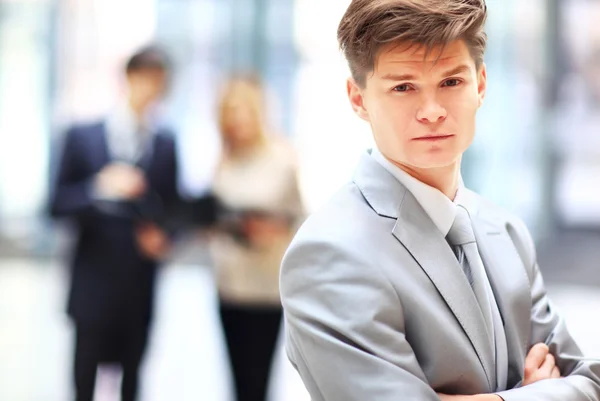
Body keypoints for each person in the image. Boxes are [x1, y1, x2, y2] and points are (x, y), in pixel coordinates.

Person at [279, 1, 600, 400]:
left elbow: (589, 382)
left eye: (451, 82)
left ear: (480, 84)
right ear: (358, 99)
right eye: (403, 87)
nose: (432, 112)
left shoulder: (506, 231)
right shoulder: (329, 252)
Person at [50, 45, 180, 401]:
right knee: (83, 379)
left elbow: (172, 211)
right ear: (128, 78)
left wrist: (165, 236)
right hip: (93, 280)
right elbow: (55, 205)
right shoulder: (82, 135)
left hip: (139, 281)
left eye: (160, 84)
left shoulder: (165, 143)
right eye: (146, 80)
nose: (151, 91)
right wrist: (98, 186)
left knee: (133, 378)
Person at [209, 77, 304, 401]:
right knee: (236, 379)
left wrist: (271, 229)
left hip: (264, 287)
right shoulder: (225, 159)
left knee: (257, 381)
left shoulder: (281, 158)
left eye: (243, 109)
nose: (237, 118)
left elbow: (300, 220)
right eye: (230, 111)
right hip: (228, 283)